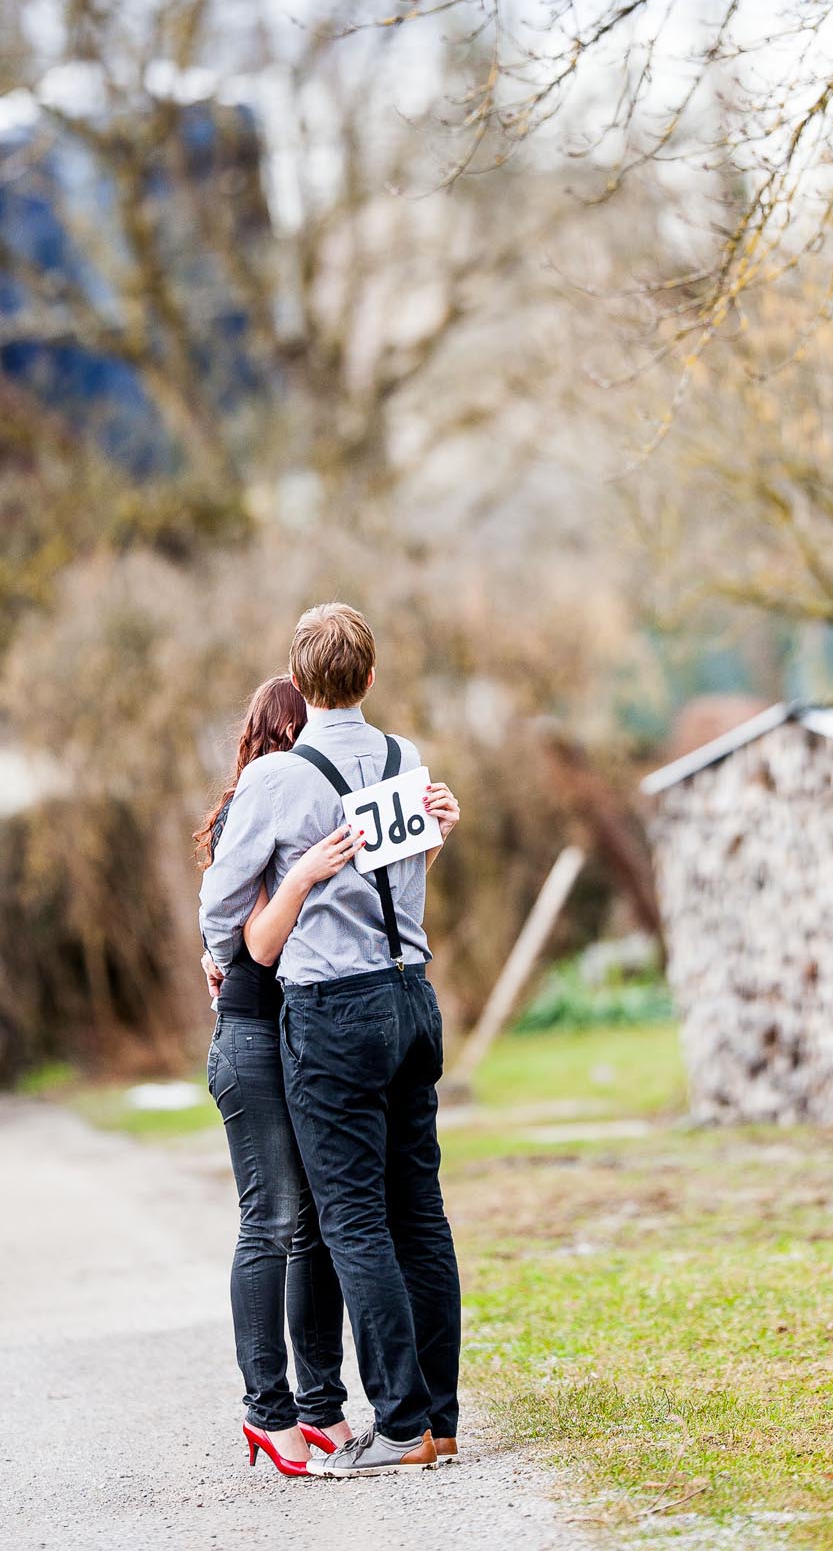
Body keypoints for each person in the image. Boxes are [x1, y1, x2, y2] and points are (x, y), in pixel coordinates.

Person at [200, 603, 462, 1479]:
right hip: (412, 995)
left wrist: (218, 949)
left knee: (352, 1220)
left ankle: (395, 1425)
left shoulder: (278, 780)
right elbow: (404, 883)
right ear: (371, 677)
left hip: (333, 1010)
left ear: (300, 680)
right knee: (419, 1215)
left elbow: (220, 906)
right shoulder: (405, 759)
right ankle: (440, 1418)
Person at [195, 675, 360, 1479]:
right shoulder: (258, 810)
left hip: (299, 1035)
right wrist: (298, 883)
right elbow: (241, 935)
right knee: (271, 1220)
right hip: (253, 1039)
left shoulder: (310, 811)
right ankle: (268, 1413)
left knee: (319, 1228)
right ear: (285, 738)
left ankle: (320, 1407)